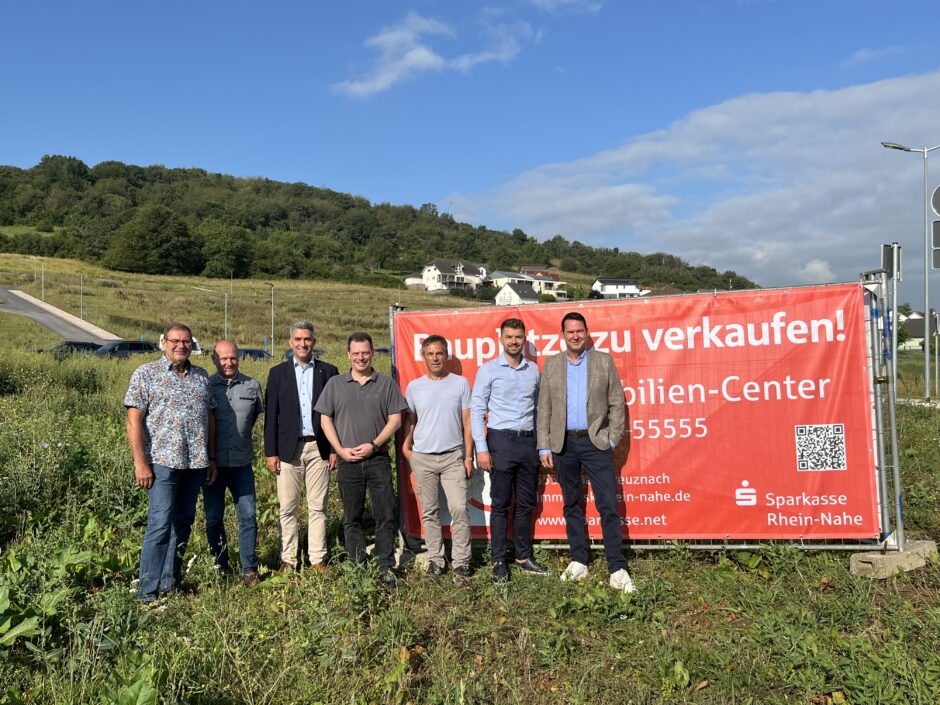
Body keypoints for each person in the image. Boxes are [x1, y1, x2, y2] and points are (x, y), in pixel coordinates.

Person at [537, 312, 635, 593]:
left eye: (580, 331)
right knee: (571, 505)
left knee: (607, 505)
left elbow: (618, 403)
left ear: (587, 333)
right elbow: (544, 407)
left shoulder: (603, 361)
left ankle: (616, 566)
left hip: (596, 444)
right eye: (570, 332)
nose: (576, 336)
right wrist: (544, 445)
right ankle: (579, 559)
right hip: (564, 445)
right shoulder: (552, 364)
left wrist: (612, 439)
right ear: (563, 335)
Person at [125, 322, 217, 604]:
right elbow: (133, 420)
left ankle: (170, 582)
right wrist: (141, 462)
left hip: (195, 463)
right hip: (162, 463)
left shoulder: (201, 376)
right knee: (160, 523)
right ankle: (146, 593)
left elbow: (210, 419)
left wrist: (211, 458)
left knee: (183, 522)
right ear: (163, 342)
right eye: (175, 340)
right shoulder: (146, 374)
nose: (181, 345)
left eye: (186, 341)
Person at [314, 332, 408, 585]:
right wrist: (340, 450)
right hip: (348, 461)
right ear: (348, 355)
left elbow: (396, 419)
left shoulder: (386, 384)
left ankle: (385, 566)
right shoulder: (335, 384)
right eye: (355, 353)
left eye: (365, 353)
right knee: (351, 517)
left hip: (377, 459)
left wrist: (374, 444)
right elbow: (325, 420)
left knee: (385, 514)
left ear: (372, 353)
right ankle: (357, 565)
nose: (361, 358)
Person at [470, 317, 547, 582]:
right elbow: (478, 411)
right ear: (500, 339)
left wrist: (542, 445)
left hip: (529, 442)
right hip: (500, 442)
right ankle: (499, 560)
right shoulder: (488, 370)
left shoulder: (534, 371)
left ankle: (523, 556)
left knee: (526, 503)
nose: (514, 341)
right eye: (509, 337)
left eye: (518, 337)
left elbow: (539, 411)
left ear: (524, 339)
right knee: (501, 504)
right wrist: (481, 448)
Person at [263, 321, 338, 571]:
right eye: (298, 339)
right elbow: (271, 416)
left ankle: (317, 558)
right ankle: (289, 558)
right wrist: (271, 452)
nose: (302, 343)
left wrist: (335, 449)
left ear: (314, 342)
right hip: (288, 449)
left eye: (307, 339)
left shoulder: (329, 372)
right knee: (288, 507)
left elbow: (336, 414)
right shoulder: (278, 373)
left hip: (319, 448)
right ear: (290, 343)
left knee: (318, 506)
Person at [401, 335, 474, 582]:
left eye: (439, 353)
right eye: (430, 353)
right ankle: (436, 561)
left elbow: (467, 422)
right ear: (423, 356)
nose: (435, 358)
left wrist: (468, 456)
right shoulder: (414, 387)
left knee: (459, 509)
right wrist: (406, 448)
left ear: (446, 356)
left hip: (453, 456)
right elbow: (411, 421)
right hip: (422, 457)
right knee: (429, 512)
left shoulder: (460, 384)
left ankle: (461, 563)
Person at [203, 340, 264, 586]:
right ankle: (220, 563)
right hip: (213, 465)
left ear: (239, 358)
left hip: (241, 464)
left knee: (248, 516)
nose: (228, 363)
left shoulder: (252, 385)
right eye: (223, 358)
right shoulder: (205, 386)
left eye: (233, 358)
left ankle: (248, 568)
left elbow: (255, 418)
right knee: (213, 517)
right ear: (214, 360)